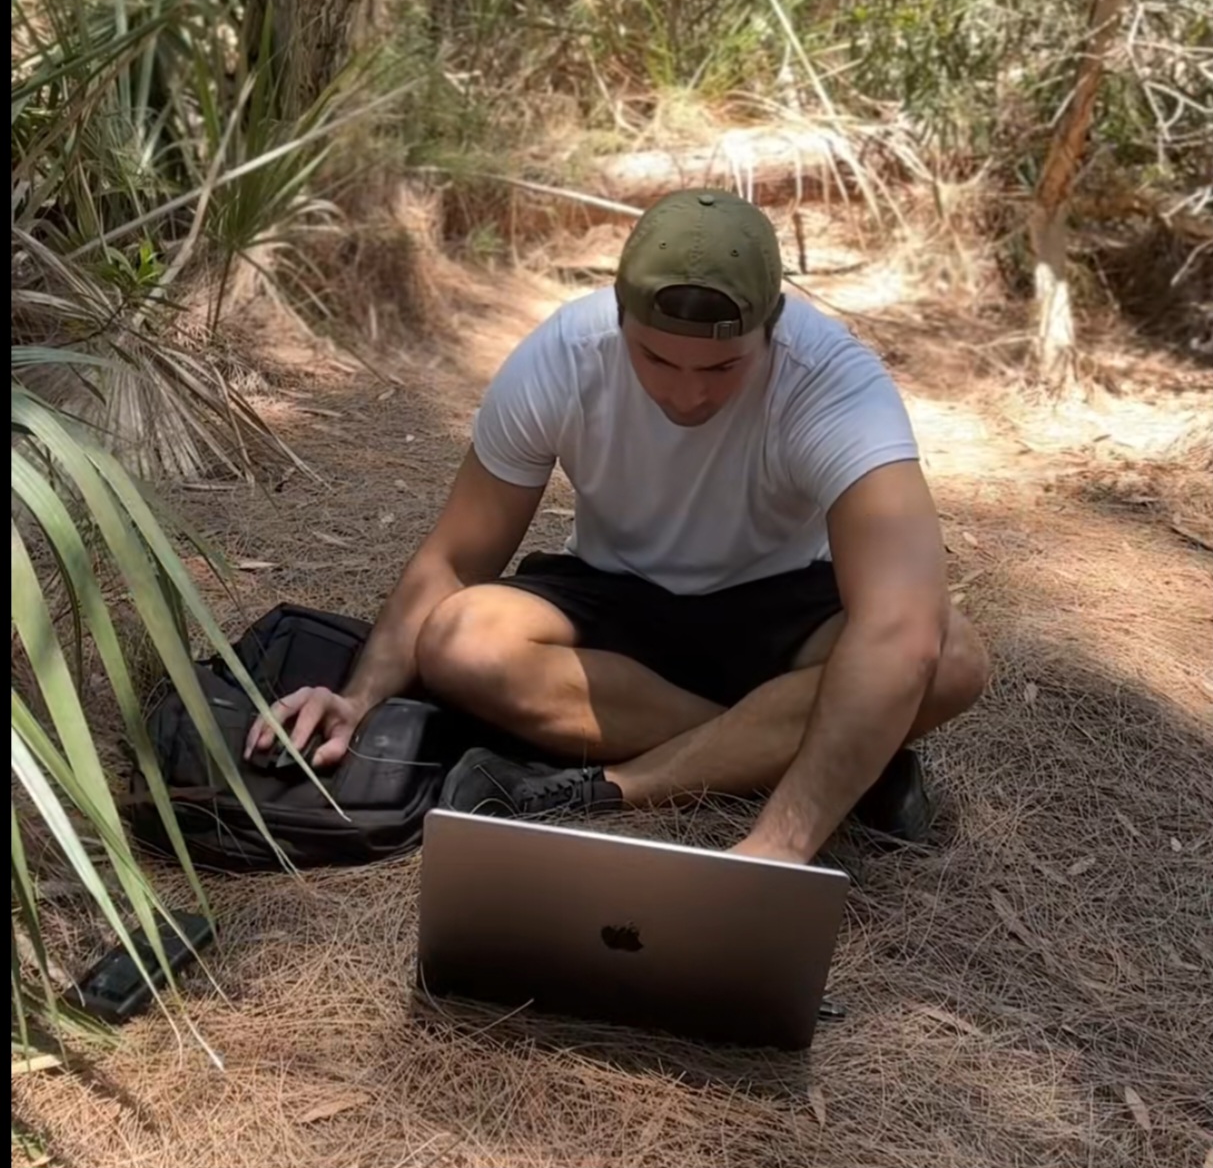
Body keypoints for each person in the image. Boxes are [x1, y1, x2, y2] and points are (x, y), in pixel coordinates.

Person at [246, 190, 990, 864]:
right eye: (655, 358)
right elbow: (457, 559)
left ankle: (622, 784)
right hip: (616, 600)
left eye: (722, 368)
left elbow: (899, 623)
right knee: (458, 640)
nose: (686, 393)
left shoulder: (832, 383)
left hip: (781, 606)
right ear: (618, 315)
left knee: (948, 656)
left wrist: (776, 846)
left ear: (773, 328)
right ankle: (829, 748)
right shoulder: (564, 356)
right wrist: (361, 696)